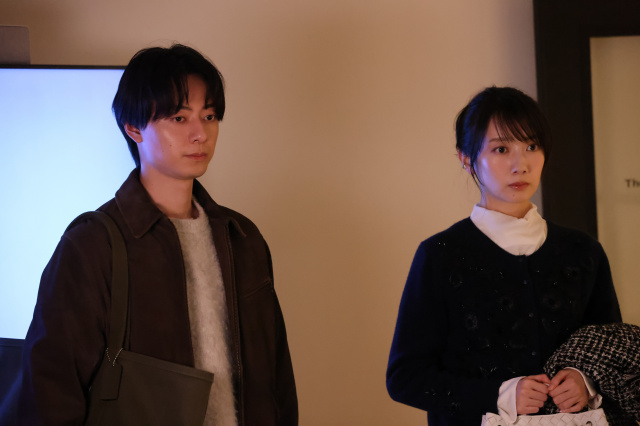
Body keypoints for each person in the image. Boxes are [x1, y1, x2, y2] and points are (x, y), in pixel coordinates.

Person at [17, 44, 298, 425]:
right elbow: (49, 391)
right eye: (179, 118)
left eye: (209, 116)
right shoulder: (92, 245)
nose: (200, 134)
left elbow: (278, 378)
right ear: (134, 128)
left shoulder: (242, 238)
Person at [386, 86, 621, 425]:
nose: (520, 164)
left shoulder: (583, 251)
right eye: (501, 149)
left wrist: (586, 381)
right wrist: (499, 395)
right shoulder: (441, 255)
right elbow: (405, 377)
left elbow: (615, 352)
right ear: (466, 157)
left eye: (531, 146)